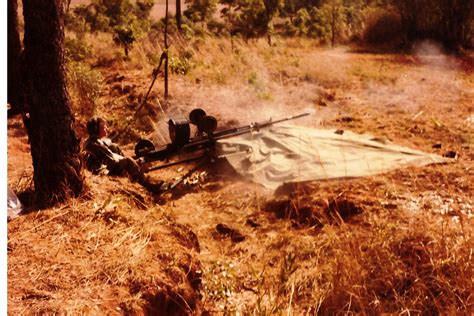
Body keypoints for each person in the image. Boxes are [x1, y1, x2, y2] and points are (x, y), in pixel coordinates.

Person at [83, 117, 166, 194]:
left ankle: (132, 173)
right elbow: (113, 159)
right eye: (104, 127)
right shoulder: (94, 144)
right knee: (128, 161)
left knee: (114, 147)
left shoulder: (93, 141)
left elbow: (110, 154)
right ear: (96, 129)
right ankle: (150, 187)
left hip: (102, 167)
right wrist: (133, 162)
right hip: (101, 172)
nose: (107, 129)